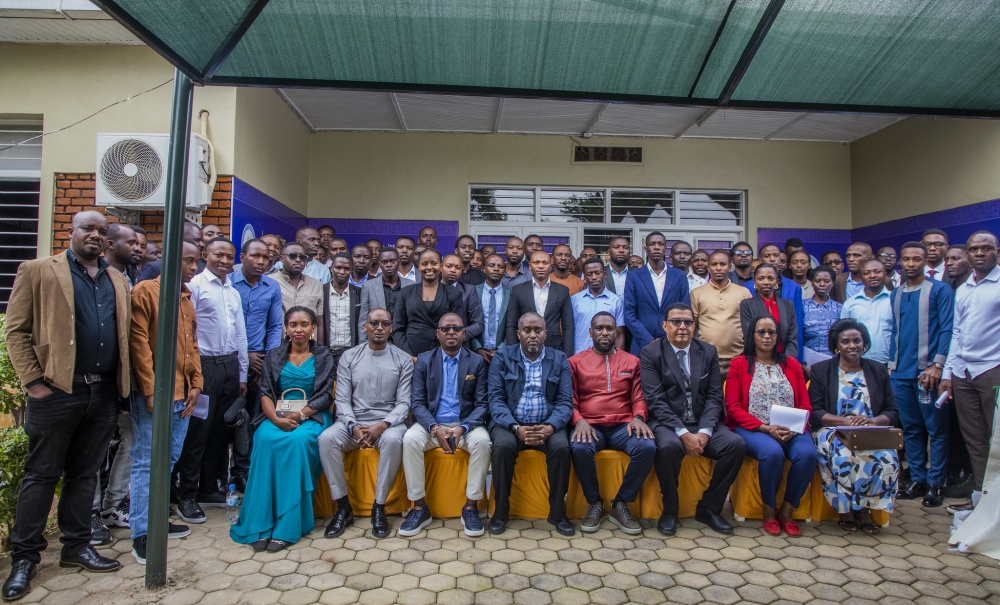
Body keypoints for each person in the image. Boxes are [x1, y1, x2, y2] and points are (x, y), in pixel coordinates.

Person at [3, 211, 129, 597]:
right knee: (41, 474)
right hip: (58, 390)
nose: (95, 236)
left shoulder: (116, 279)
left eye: (102, 232)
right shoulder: (38, 270)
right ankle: (25, 558)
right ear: (71, 232)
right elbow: (16, 329)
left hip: (103, 392)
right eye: (88, 229)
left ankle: (76, 546)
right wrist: (34, 383)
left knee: (85, 472)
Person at [230, 307, 335, 552]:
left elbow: (324, 397)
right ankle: (261, 523)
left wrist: (299, 415)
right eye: (293, 324)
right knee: (264, 438)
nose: (299, 329)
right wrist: (276, 421)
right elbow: (266, 392)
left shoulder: (324, 356)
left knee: (297, 442)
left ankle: (288, 525)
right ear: (286, 328)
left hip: (312, 417)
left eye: (304, 324)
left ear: (313, 328)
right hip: (276, 416)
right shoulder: (274, 356)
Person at [127, 239, 203, 564]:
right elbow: (138, 343)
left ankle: (158, 521)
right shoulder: (145, 292)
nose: (193, 268)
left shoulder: (186, 298)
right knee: (147, 461)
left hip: (184, 394)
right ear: (171, 260)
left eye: (195, 262)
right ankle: (142, 534)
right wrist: (150, 390)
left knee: (169, 458)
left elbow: (193, 345)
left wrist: (197, 384)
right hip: (156, 396)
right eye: (188, 261)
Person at [640, 303, 746, 536]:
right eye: (676, 322)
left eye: (688, 322)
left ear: (694, 326)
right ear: (665, 325)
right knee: (668, 447)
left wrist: (705, 431)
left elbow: (714, 396)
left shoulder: (707, 351)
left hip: (702, 422)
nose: (682, 327)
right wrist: (683, 433)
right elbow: (655, 400)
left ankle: (709, 508)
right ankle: (670, 510)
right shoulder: (651, 353)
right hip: (668, 423)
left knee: (735, 445)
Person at [319, 309, 412, 539]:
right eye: (374, 323)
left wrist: (383, 424)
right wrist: (352, 425)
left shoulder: (403, 358)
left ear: (391, 328)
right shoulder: (349, 357)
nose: (379, 328)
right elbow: (341, 398)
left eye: (384, 324)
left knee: (392, 441)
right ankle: (343, 508)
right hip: (354, 423)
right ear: (365, 327)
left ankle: (378, 508)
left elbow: (404, 402)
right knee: (327, 439)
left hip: (387, 424)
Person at [175, 237, 248, 524]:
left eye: (230, 257)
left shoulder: (232, 290)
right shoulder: (194, 286)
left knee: (221, 430)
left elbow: (240, 333)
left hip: (229, 366)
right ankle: (187, 495)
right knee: (197, 432)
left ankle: (209, 487)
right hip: (203, 367)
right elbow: (186, 333)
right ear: (206, 255)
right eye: (219, 255)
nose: (225, 261)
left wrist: (241, 373)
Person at [400, 314, 491, 537]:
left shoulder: (476, 362)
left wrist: (463, 428)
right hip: (432, 424)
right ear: (437, 333)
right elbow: (418, 403)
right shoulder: (424, 359)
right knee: (409, 440)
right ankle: (419, 506)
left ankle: (471, 506)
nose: (451, 332)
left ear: (464, 333)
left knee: (483, 442)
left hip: (465, 425)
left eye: (456, 328)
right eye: (446, 328)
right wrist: (435, 428)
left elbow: (482, 404)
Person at [725, 316, 816, 537]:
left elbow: (805, 404)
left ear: (778, 336)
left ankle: (787, 510)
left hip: (791, 428)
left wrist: (795, 427)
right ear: (752, 336)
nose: (767, 337)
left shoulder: (792, 364)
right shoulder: (739, 364)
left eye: (771, 332)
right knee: (772, 453)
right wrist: (765, 428)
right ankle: (768, 509)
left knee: (808, 454)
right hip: (753, 428)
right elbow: (733, 407)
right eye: (761, 332)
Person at [809, 319, 899, 535]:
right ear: (837, 345)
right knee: (844, 455)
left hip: (871, 430)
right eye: (846, 341)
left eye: (857, 341)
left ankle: (866, 508)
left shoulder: (877, 370)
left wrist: (872, 421)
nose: (852, 345)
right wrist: (847, 422)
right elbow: (816, 411)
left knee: (887, 457)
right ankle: (846, 510)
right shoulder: (822, 370)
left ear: (864, 343)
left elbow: (892, 411)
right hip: (833, 430)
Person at [488, 313, 574, 536]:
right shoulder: (503, 357)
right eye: (527, 330)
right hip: (511, 424)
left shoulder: (559, 359)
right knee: (503, 447)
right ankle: (501, 512)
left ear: (546, 334)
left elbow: (565, 402)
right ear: (518, 334)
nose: (533, 335)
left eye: (538, 331)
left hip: (547, 424)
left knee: (561, 447)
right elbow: (495, 400)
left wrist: (551, 427)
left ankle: (557, 513)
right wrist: (516, 428)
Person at [569, 313, 653, 534]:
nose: (604, 333)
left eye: (609, 328)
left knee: (647, 447)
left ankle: (620, 504)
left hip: (623, 427)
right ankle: (594, 504)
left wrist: (638, 417)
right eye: (599, 328)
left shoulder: (632, 362)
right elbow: (569, 400)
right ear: (590, 332)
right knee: (579, 447)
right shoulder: (575, 363)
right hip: (590, 426)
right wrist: (579, 421)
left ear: (617, 332)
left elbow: (639, 397)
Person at [889, 242, 953, 508]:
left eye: (917, 259)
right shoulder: (896, 293)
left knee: (936, 429)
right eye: (906, 259)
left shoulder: (940, 290)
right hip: (900, 372)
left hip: (927, 372)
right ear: (900, 263)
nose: (911, 264)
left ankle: (936, 483)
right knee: (911, 429)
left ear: (926, 262)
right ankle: (917, 479)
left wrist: (938, 365)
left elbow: (948, 329)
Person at [940, 231, 1000, 508]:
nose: (979, 253)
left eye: (986, 248)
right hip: (963, 373)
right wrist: (947, 374)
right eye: (974, 249)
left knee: (995, 438)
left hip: (992, 369)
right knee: (974, 439)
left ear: (996, 252)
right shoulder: (963, 288)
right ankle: (981, 499)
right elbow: (956, 332)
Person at [92, 223, 141, 539]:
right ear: (109, 244)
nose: (137, 248)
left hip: (125, 379)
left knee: (130, 442)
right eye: (132, 243)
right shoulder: (94, 277)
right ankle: (92, 512)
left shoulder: (129, 278)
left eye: (139, 244)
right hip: (91, 381)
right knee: (94, 450)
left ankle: (111, 507)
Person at [230, 238, 285, 491]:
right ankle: (219, 475)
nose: (262, 262)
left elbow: (275, 326)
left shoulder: (272, 287)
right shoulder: (227, 282)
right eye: (256, 256)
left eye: (266, 258)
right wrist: (245, 356)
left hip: (260, 363)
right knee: (225, 417)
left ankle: (243, 469)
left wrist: (267, 361)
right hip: (230, 360)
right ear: (242, 257)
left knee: (251, 418)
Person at [624, 232, 691, 355]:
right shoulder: (633, 276)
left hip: (673, 344)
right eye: (652, 244)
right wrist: (649, 340)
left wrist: (670, 338)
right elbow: (629, 314)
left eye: (660, 244)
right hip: (642, 345)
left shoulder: (679, 276)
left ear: (665, 248)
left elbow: (685, 311)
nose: (656, 247)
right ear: (646, 249)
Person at [690, 250, 752, 377]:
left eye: (722, 264)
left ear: (730, 267)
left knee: (734, 397)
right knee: (710, 396)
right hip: (707, 358)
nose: (718, 268)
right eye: (714, 264)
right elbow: (692, 327)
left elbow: (750, 327)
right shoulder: (697, 293)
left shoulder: (744, 292)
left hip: (738, 358)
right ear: (708, 267)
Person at [394, 249, 466, 357]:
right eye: (424, 264)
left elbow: (457, 330)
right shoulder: (406, 292)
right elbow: (397, 328)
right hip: (409, 355)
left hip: (442, 355)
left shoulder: (454, 293)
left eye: (434, 263)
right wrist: (409, 356)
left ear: (441, 266)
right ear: (418, 266)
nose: (429, 268)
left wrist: (444, 355)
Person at [507, 251, 575, 358]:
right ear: (530, 266)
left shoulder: (562, 290)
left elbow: (568, 327)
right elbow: (511, 325)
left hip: (554, 348)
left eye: (545, 263)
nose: (540, 266)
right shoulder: (518, 290)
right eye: (536, 262)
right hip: (524, 349)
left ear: (551, 266)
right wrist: (512, 353)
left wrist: (567, 355)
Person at [739, 264, 799, 360]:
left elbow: (792, 338)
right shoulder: (747, 305)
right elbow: (749, 337)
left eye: (771, 278)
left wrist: (786, 360)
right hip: (758, 359)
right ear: (754, 281)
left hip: (785, 359)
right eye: (761, 278)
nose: (766, 282)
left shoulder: (788, 305)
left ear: (777, 281)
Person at [840, 259, 892, 364]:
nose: (872, 276)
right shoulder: (850, 303)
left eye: (877, 272)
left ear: (885, 274)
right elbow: (843, 335)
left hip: (889, 363)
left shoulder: (895, 299)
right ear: (860, 277)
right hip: (858, 363)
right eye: (867, 273)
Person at [359, 248, 415, 343]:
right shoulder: (368, 286)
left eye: (393, 261)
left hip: (404, 342)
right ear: (379, 264)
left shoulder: (412, 285)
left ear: (399, 262)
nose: (389, 265)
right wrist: (364, 346)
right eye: (384, 262)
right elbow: (363, 320)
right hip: (377, 342)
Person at [571, 258, 624, 354]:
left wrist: (617, 357)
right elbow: (569, 330)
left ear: (604, 274)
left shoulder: (616, 301)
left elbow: (619, 334)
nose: (594, 277)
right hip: (579, 355)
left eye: (597, 273)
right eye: (589, 274)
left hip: (607, 355)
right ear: (584, 276)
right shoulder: (575, 300)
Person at [321, 253, 362, 372]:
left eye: (347, 269)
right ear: (331, 268)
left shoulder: (359, 293)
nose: (342, 272)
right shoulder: (320, 291)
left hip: (351, 354)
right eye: (338, 267)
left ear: (351, 270)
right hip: (326, 354)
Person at [472, 254, 510, 363]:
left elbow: (513, 324)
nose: (496, 269)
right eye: (492, 265)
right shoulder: (473, 291)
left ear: (505, 270)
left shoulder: (512, 293)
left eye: (500, 266)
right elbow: (468, 321)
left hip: (503, 354)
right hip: (476, 353)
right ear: (484, 269)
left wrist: (501, 349)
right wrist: (477, 348)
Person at [441, 254, 485, 347]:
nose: (453, 270)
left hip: (462, 347)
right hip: (434, 346)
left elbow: (478, 324)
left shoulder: (469, 291)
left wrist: (458, 335)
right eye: (449, 266)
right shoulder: (432, 289)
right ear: (441, 267)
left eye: (457, 267)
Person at [802, 266, 842, 367]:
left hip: (833, 361)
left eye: (827, 281)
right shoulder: (801, 306)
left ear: (832, 283)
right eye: (818, 281)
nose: (822, 284)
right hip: (807, 362)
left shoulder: (840, 308)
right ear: (811, 283)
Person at [272, 242, 325, 320]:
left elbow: (319, 321)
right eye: (292, 256)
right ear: (281, 258)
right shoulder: (269, 282)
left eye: (302, 257)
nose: (298, 260)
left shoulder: (316, 284)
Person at [136, 222, 203, 283]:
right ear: (181, 237)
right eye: (197, 240)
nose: (202, 244)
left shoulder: (201, 269)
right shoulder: (155, 267)